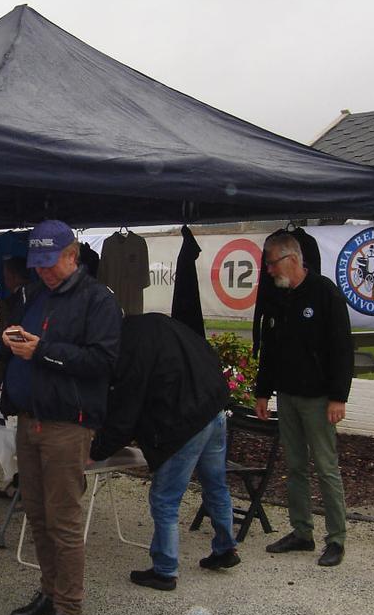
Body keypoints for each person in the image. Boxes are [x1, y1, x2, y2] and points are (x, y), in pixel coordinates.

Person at [0, 220, 121, 615]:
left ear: (73, 255)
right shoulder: (35, 294)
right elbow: (28, 343)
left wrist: (42, 351)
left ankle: (70, 607)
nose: (45, 271)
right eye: (39, 264)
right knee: (36, 513)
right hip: (30, 419)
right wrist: (12, 342)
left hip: (67, 425)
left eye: (51, 263)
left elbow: (103, 362)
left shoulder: (97, 299)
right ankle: (49, 592)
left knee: (63, 519)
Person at [90, 313, 238, 591]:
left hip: (182, 423)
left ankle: (165, 569)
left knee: (165, 499)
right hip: (213, 408)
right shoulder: (157, 322)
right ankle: (225, 548)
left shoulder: (130, 346)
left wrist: (98, 450)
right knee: (216, 485)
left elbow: (126, 411)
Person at [254, 232, 352, 568]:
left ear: (292, 259)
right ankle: (302, 531)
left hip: (319, 397)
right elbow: (270, 348)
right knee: (294, 467)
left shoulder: (324, 293)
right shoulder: (279, 297)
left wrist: (339, 396)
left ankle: (336, 539)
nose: (268, 270)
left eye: (271, 263)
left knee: (325, 468)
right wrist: (263, 391)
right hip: (288, 396)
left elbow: (342, 348)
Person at [0, 255, 29, 499]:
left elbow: (7, 342)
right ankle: (19, 482)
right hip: (23, 376)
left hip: (19, 378)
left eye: (6, 275)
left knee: (18, 437)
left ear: (12, 275)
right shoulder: (30, 300)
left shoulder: (16, 302)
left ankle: (21, 485)